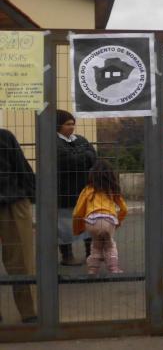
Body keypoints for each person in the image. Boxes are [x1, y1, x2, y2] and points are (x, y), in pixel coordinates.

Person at [0, 128, 37, 323]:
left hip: (12, 199)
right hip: (13, 197)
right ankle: (29, 312)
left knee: (22, 259)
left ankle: (29, 311)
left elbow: (21, 167)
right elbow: (22, 167)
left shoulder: (4, 136)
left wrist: (33, 195)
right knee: (22, 258)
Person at [72, 159, 128, 274]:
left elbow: (77, 212)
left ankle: (93, 269)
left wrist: (79, 228)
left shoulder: (88, 190)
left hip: (92, 222)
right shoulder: (112, 189)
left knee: (96, 245)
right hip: (108, 220)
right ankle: (113, 268)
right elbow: (124, 209)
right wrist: (118, 221)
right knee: (110, 245)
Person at [56, 109, 96, 266]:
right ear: (58, 125)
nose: (71, 127)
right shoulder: (54, 141)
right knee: (64, 225)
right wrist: (84, 156)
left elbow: (93, 157)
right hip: (63, 190)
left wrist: (81, 157)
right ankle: (67, 256)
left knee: (88, 223)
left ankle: (91, 254)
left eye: (73, 124)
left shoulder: (80, 139)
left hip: (83, 189)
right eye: (67, 124)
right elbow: (66, 161)